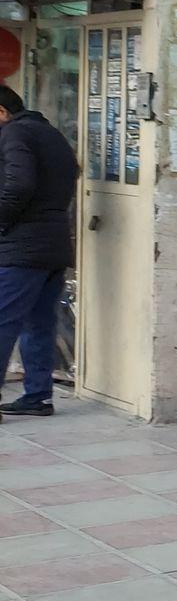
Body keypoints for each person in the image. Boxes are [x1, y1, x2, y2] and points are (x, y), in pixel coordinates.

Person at [0, 86, 78, 417]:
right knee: (39, 323)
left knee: (4, 322)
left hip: (22, 248)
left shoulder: (14, 133)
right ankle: (38, 396)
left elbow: (19, 184)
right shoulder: (51, 134)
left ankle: (36, 395)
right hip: (52, 246)